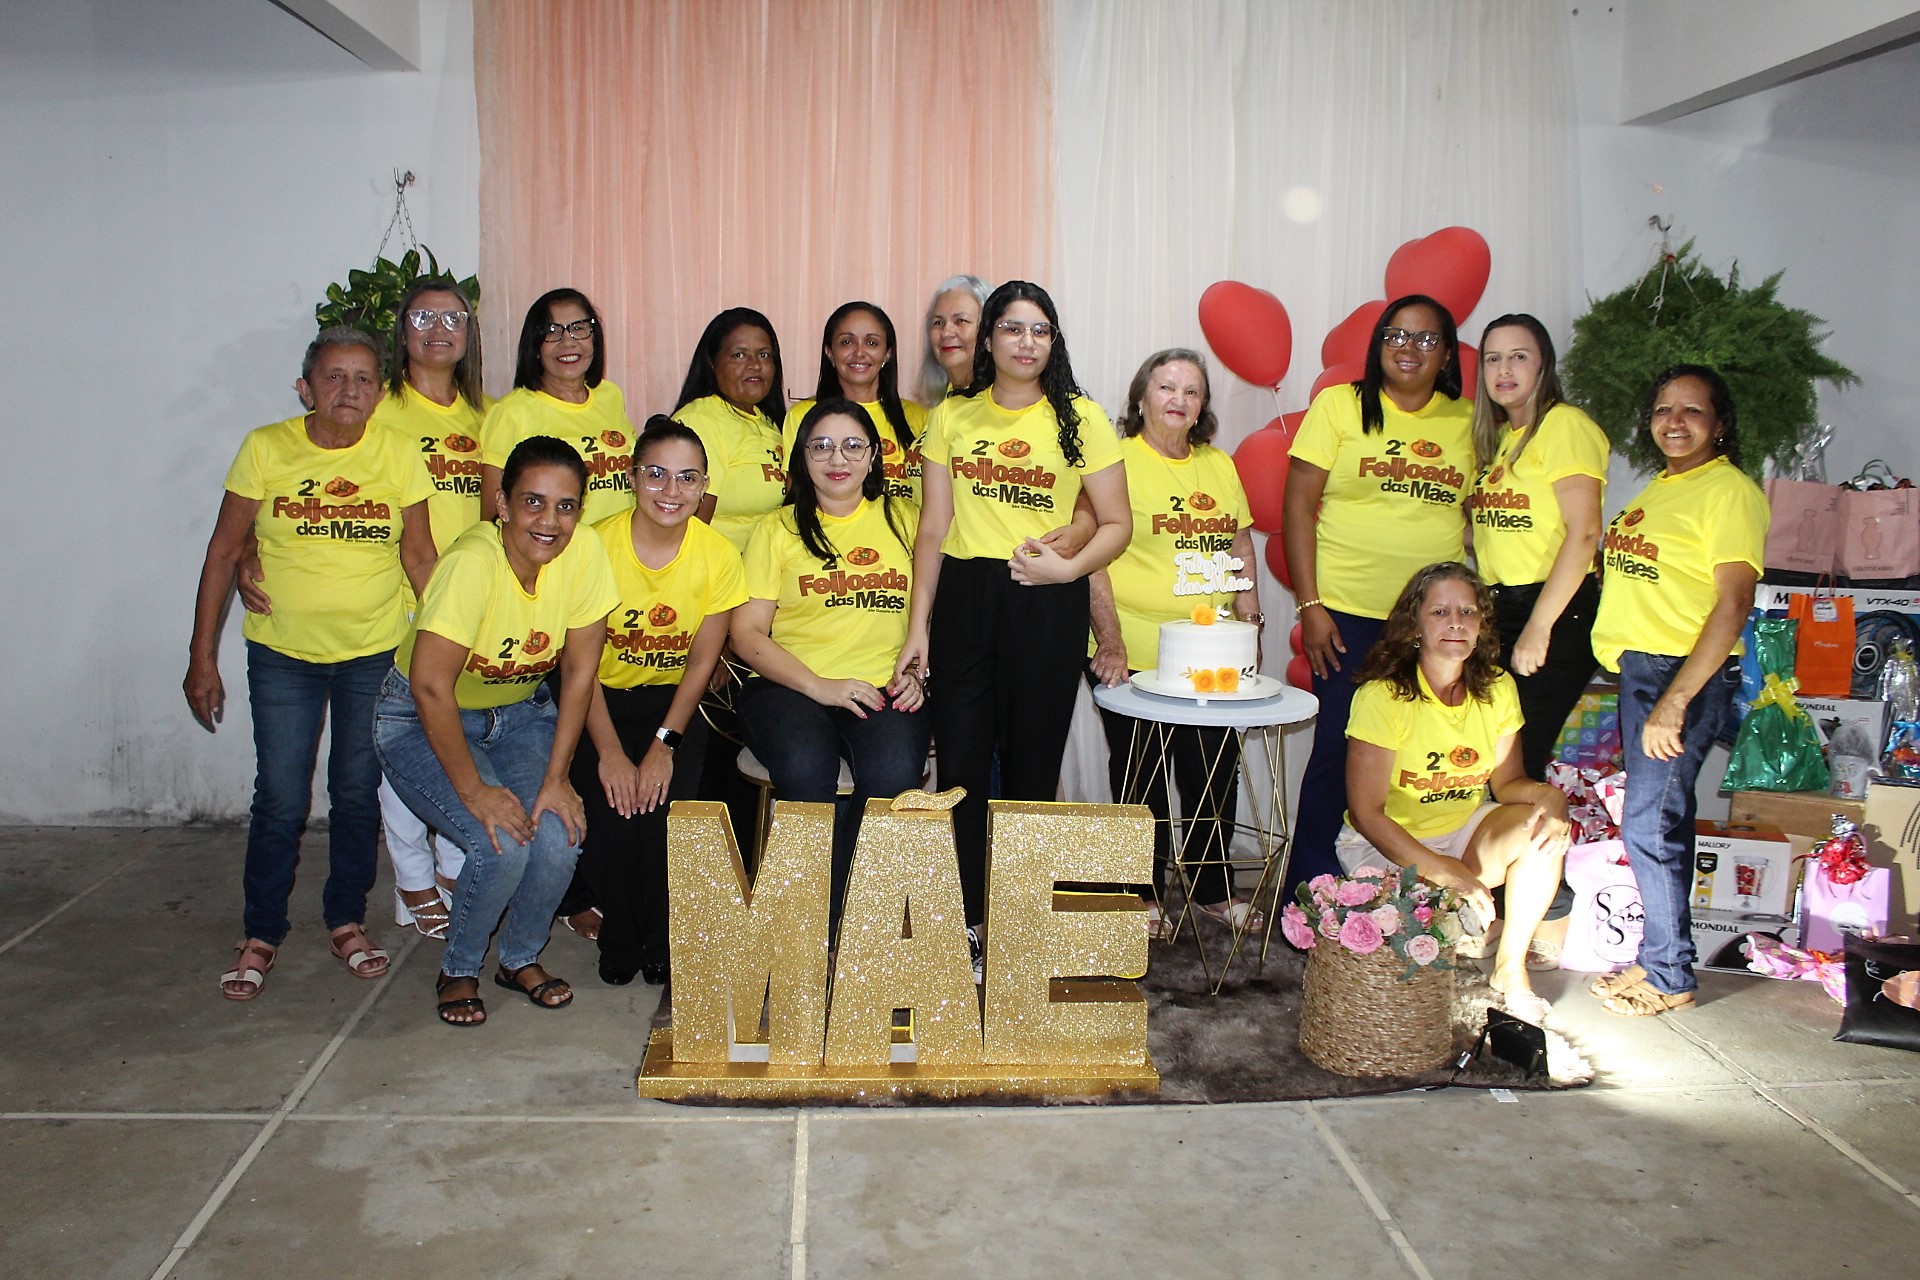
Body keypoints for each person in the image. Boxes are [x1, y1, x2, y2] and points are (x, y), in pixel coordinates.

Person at [185, 328, 435, 1000]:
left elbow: (418, 557)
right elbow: (223, 551)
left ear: (379, 394)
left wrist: (445, 647)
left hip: (372, 652)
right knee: (280, 797)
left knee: (356, 796)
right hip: (282, 657)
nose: (348, 390)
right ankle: (261, 931)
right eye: (333, 376)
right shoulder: (266, 449)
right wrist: (200, 656)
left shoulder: (400, 452)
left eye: (362, 379)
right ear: (306, 387)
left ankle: (347, 920)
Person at [899, 280, 1131, 974]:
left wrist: (1068, 573)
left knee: (1033, 769)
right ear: (989, 338)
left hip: (1044, 602)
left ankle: (1021, 924)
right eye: (1013, 329)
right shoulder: (953, 416)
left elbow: (1117, 525)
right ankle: (967, 922)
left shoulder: (1081, 417)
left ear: (1052, 342)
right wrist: (918, 629)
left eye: (1040, 330)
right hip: (966, 602)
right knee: (964, 768)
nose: (1026, 343)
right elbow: (932, 528)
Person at [373, 437, 619, 1027]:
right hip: (419, 718)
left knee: (560, 831)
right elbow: (432, 687)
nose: (550, 520)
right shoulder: (471, 563)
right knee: (501, 841)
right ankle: (459, 968)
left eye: (566, 506)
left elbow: (581, 671)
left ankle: (518, 958)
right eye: (533, 501)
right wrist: (474, 791)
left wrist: (558, 778)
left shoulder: (584, 553)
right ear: (502, 504)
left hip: (519, 712)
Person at [1588, 366, 1766, 1017]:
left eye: (1693, 410)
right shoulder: (1662, 489)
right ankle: (1658, 959)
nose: (1675, 420)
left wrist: (1675, 700)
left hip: (1678, 675)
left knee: (1649, 825)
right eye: (1664, 409)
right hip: (1644, 673)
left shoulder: (1729, 492)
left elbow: (1733, 601)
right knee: (1660, 822)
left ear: (1720, 424)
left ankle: (1669, 975)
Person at [1283, 294, 1472, 900]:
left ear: (1446, 354)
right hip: (1346, 617)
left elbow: (1486, 514)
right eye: (1396, 334)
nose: (1408, 347)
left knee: (1419, 763)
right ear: (1378, 342)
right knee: (1337, 755)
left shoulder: (1469, 421)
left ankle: (1395, 894)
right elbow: (1297, 508)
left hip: (1433, 627)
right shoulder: (1340, 406)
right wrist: (1311, 607)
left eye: (1425, 338)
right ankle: (1311, 894)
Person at [1338, 562, 1570, 1025]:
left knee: (1542, 829)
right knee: (1411, 958)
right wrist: (1447, 872)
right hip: (1385, 844)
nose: (1456, 623)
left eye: (1467, 611)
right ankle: (1457, 919)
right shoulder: (1383, 696)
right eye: (1440, 611)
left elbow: (1508, 786)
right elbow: (1367, 814)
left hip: (1463, 831)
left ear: (1482, 624)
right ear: (1415, 625)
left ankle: (1510, 969)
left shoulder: (1499, 688)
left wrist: (1554, 801)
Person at [1088, 349, 1264, 937]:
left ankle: (1212, 889)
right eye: (1166, 387)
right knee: (1140, 776)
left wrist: (1251, 622)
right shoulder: (1116, 463)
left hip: (1210, 655)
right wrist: (1108, 642)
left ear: (1202, 407)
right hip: (1133, 651)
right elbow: (1094, 562)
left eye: (1191, 391)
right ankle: (1140, 894)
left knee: (1212, 771)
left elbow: (1239, 547)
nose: (1178, 399)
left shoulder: (1219, 466)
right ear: (1141, 398)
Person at [732, 399, 929, 924]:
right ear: (801, 457)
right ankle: (802, 925)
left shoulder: (905, 522)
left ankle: (848, 924)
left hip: (880, 686)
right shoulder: (777, 529)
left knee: (893, 776)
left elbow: (932, 618)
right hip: (789, 687)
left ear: (873, 458)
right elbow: (746, 636)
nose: (835, 457)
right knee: (805, 768)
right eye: (820, 445)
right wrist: (820, 686)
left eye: (851, 445)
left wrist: (917, 674)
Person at [566, 417, 744, 986]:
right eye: (657, 475)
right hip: (599, 700)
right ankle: (622, 930)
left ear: (704, 485)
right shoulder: (593, 545)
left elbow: (700, 663)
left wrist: (665, 745)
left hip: (673, 706)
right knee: (614, 815)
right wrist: (613, 754)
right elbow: (581, 668)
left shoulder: (717, 555)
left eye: (687, 478)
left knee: (666, 816)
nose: (672, 491)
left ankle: (663, 933)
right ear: (631, 476)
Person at [372, 279, 488, 938]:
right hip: (399, 603)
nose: (438, 328)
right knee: (403, 745)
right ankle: (412, 877)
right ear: (402, 329)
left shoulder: (487, 417)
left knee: (461, 737)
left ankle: (449, 865)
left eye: (453, 317)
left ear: (470, 334)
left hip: (472, 609)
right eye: (423, 315)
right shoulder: (380, 410)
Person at [1468, 313, 1608, 780]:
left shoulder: (1564, 426)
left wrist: (1539, 626)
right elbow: (1498, 530)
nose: (1503, 370)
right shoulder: (1504, 440)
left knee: (1515, 767)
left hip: (1554, 610)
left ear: (1543, 365)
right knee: (1490, 759)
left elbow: (1585, 533)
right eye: (1492, 359)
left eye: (1518, 357)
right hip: (1500, 608)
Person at [479, 288, 636, 527]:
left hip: (620, 550)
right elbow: (493, 517)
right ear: (535, 347)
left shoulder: (610, 396)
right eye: (552, 332)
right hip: (557, 555)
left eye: (579, 328)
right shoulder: (511, 412)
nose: (568, 342)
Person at [783, 301, 925, 507]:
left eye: (872, 343)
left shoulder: (918, 417)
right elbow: (797, 496)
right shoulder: (804, 415)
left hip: (903, 535)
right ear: (830, 352)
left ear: (888, 353)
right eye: (847, 342)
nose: (859, 352)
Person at [672, 307, 790, 553]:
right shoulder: (702, 420)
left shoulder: (770, 422)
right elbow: (690, 526)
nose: (755, 365)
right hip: (718, 575)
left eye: (764, 355)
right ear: (713, 364)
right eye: (739, 355)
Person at [918, 274, 990, 406]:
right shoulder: (939, 404)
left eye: (961, 321)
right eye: (938, 322)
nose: (946, 333)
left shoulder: (1001, 404)